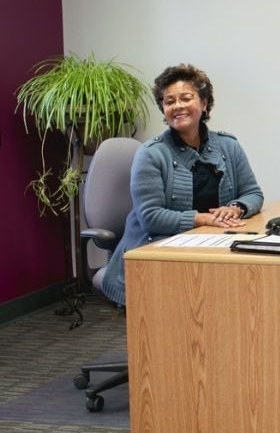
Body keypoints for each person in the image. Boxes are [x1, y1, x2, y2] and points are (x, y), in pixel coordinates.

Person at [100, 63, 264, 306]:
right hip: (153, 254)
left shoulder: (228, 146)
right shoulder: (151, 154)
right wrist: (203, 219)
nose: (177, 106)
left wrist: (236, 207)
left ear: (204, 103)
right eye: (169, 101)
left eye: (186, 98)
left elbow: (252, 192)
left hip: (209, 247)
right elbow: (151, 217)